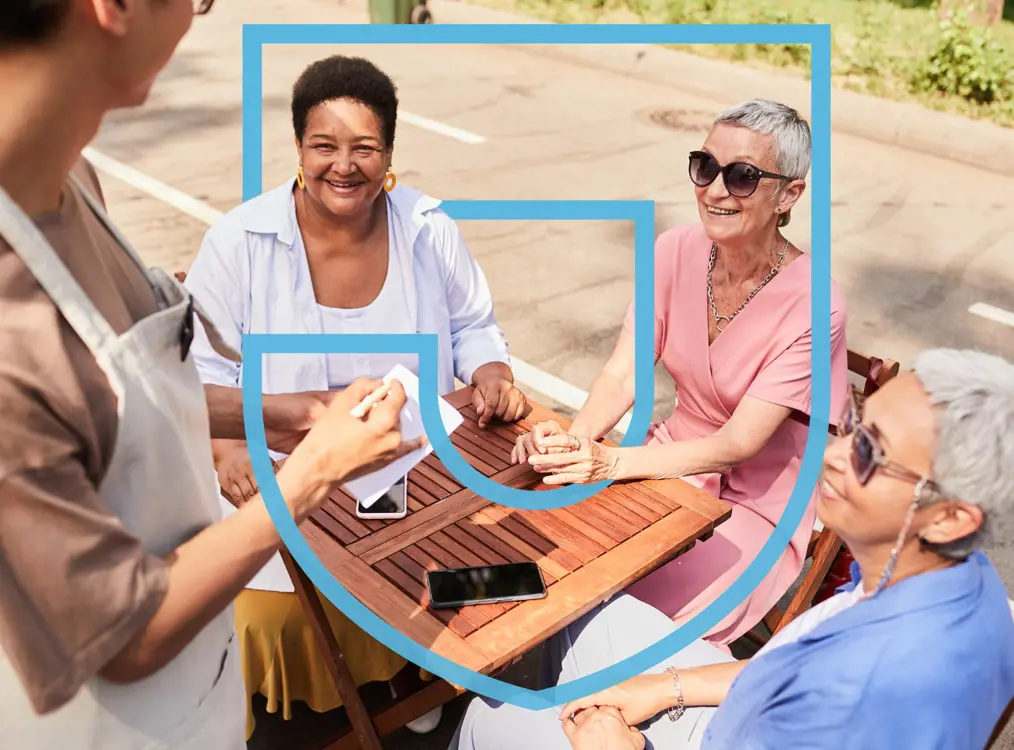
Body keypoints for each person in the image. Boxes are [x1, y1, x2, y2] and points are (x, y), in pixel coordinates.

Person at [0, 2, 423, 748]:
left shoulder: (73, 181)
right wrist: (311, 476)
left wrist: (284, 414)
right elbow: (122, 636)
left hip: (202, 700)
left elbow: (117, 412)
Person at [182, 54, 527, 736]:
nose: (344, 165)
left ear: (390, 153)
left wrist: (490, 372)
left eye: (364, 148)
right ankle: (327, 714)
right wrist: (227, 452)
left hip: (417, 472)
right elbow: (202, 377)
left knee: (509, 570)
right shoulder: (238, 242)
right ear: (299, 150)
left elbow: (474, 325)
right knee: (269, 612)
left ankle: (419, 686)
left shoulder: (428, 229)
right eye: (325, 147)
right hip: (287, 478)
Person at [451, 347, 1014, 750]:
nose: (835, 456)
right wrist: (665, 686)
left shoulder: (870, 690)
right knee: (580, 611)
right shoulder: (956, 580)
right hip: (745, 713)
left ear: (951, 517)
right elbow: (792, 666)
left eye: (872, 454)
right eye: (855, 431)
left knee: (484, 720)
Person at [512, 99, 850, 648]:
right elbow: (624, 374)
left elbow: (740, 443)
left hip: (752, 505)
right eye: (705, 167)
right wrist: (575, 443)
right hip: (662, 458)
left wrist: (611, 462)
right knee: (550, 553)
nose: (715, 190)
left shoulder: (818, 306)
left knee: (615, 615)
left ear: (789, 194)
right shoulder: (672, 251)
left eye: (742, 176)